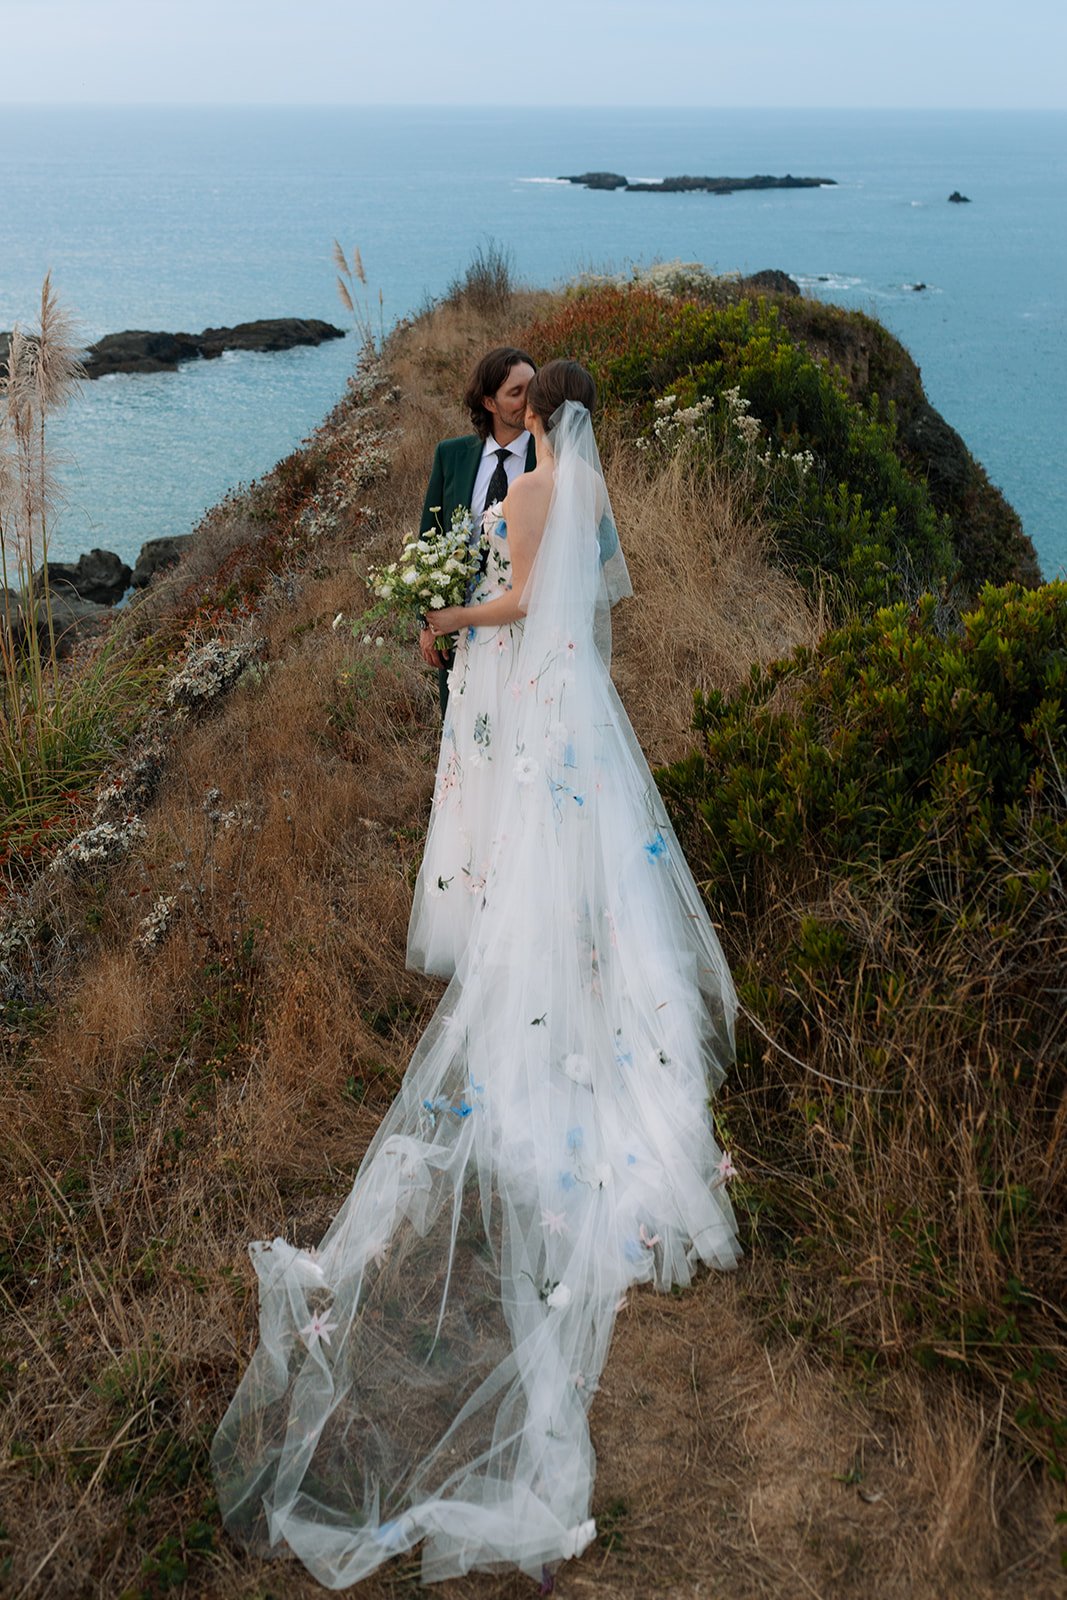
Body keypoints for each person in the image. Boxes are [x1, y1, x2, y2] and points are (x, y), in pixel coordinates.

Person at [211, 360, 739, 1591]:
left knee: (539, 870)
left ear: (537, 413)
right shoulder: (591, 488)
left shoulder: (542, 490)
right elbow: (593, 594)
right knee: (586, 875)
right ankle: (601, 1013)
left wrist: (450, 618)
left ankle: (548, 1019)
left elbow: (519, 605)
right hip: (579, 708)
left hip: (532, 692)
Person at [417, 347, 537, 718]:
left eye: (533, 388)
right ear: (489, 401)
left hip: (524, 626)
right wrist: (429, 623)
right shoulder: (451, 455)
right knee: (466, 738)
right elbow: (429, 542)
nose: (529, 401)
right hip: (459, 626)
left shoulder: (548, 461)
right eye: (516, 393)